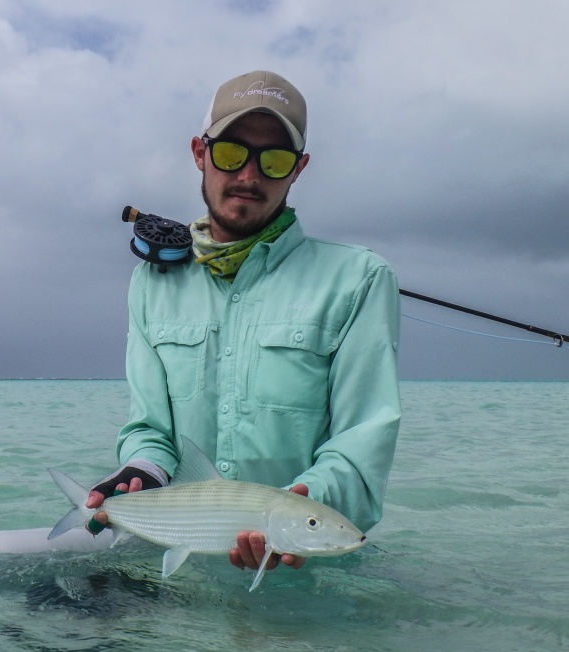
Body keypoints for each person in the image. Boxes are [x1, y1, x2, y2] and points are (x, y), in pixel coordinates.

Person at [87, 70, 401, 576]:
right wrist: (143, 469)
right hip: (176, 564)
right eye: (232, 152)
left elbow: (362, 443)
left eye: (273, 160)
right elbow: (149, 427)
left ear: (298, 170)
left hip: (306, 573)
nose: (249, 176)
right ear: (199, 152)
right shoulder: (153, 282)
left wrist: (293, 516)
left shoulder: (359, 279)